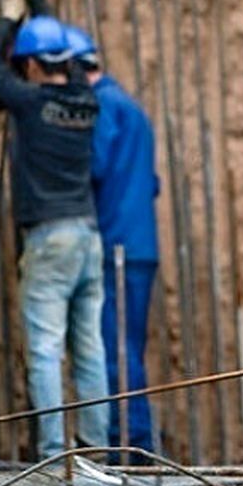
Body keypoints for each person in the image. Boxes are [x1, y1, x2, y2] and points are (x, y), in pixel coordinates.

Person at [0, 0, 109, 459]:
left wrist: (11, 14)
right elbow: (61, 53)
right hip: (87, 236)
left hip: (50, 238)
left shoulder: (31, 104)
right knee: (89, 348)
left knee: (46, 349)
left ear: (30, 64)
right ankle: (94, 447)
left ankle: (54, 453)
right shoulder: (85, 99)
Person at [65, 25, 160, 455]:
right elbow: (151, 182)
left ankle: (133, 445)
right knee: (129, 345)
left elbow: (94, 165)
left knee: (114, 348)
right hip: (141, 243)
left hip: (115, 244)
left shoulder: (101, 106)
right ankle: (135, 440)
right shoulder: (133, 108)